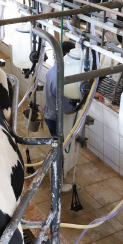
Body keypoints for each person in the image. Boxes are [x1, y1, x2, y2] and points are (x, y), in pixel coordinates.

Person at [43, 41, 84, 193]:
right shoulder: (62, 79)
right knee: (58, 152)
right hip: (56, 120)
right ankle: (57, 185)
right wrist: (83, 104)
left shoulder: (54, 69)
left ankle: (58, 175)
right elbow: (67, 111)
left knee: (56, 149)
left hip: (49, 113)